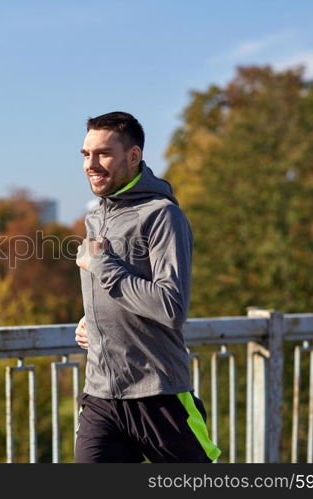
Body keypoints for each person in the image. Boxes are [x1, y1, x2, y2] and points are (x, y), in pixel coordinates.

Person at [73, 111, 220, 463]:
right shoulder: (96, 216)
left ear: (134, 156)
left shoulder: (163, 215)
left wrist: (102, 265)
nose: (91, 164)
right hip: (101, 395)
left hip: (158, 393)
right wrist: (92, 318)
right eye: (85, 154)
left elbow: (171, 306)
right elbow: (121, 291)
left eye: (103, 154)